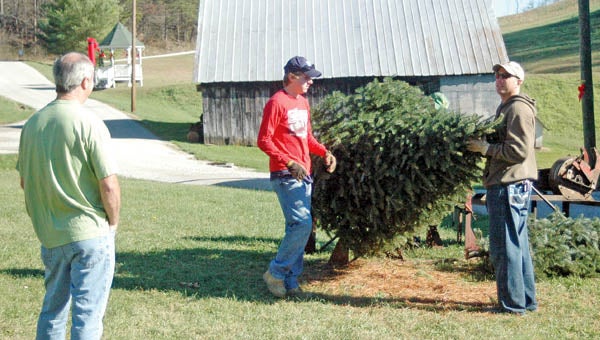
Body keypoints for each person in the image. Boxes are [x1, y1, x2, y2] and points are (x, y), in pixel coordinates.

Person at [16, 52, 121, 339]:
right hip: (88, 232)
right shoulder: (89, 123)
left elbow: (25, 182)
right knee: (87, 315)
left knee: (53, 311)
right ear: (87, 81)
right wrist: (112, 222)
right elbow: (108, 184)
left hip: (51, 235)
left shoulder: (33, 124)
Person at [257, 56, 336, 298]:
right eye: (307, 76)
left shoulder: (302, 103)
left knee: (299, 227)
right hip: (285, 174)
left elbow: (307, 138)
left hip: (305, 173)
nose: (311, 81)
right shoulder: (276, 103)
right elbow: (264, 140)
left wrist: (324, 152)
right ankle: (276, 273)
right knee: (302, 224)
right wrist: (289, 162)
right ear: (292, 76)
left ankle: (291, 283)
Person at [467, 61, 538, 315]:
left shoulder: (517, 109)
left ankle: (512, 306)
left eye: (505, 76)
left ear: (518, 81)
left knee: (505, 248)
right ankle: (525, 301)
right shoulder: (506, 107)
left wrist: (486, 149)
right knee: (517, 246)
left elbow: (519, 150)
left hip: (508, 184)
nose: (499, 80)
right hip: (509, 184)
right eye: (497, 75)